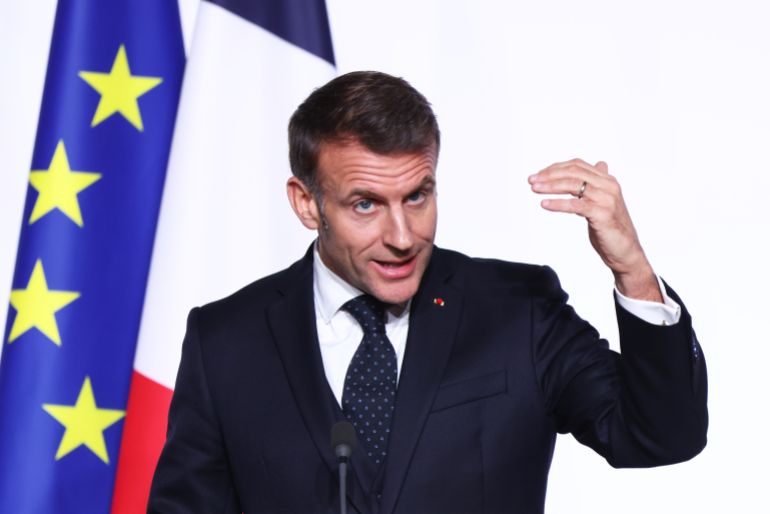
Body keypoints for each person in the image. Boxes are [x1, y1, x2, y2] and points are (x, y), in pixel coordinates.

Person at [147, 71, 707, 514]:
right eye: (366, 204)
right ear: (306, 203)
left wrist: (631, 266)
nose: (401, 236)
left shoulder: (519, 310)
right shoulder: (226, 340)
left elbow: (660, 436)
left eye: (418, 196)